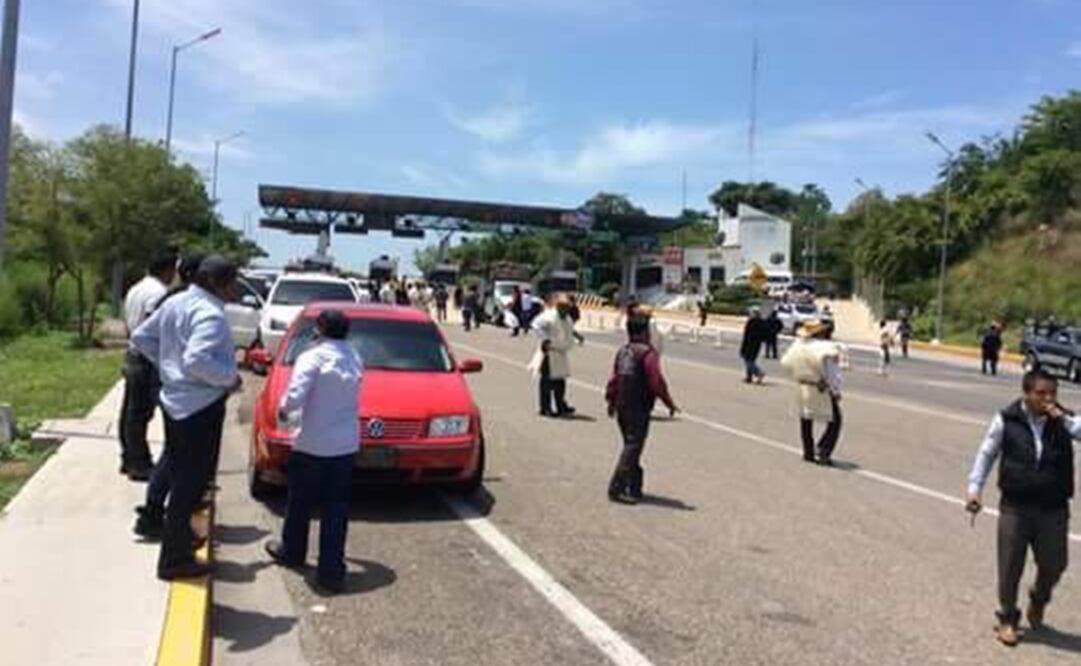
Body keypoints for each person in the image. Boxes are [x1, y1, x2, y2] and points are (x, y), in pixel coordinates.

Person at [131, 255, 241, 580]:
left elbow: (142, 338)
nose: (235, 289)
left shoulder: (177, 303)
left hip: (176, 402)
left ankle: (177, 542)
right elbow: (197, 360)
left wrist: (168, 367)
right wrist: (228, 379)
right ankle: (174, 559)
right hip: (199, 408)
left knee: (180, 475)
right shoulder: (210, 314)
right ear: (217, 283)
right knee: (188, 487)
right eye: (232, 282)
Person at [966, 369, 1081, 646]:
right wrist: (975, 489)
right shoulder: (1007, 419)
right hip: (1015, 506)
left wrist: (1063, 420)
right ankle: (1007, 617)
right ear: (1026, 393)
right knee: (1009, 567)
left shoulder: (1064, 420)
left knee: (1055, 564)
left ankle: (1038, 598)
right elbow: (987, 453)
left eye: (1052, 393)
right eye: (1041, 393)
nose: (1048, 399)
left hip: (1053, 508)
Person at [264, 309, 363, 594]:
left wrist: (284, 412)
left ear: (320, 329)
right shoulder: (354, 356)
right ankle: (331, 571)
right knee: (336, 508)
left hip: (312, 442)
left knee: (300, 502)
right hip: (344, 445)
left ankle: (292, 552)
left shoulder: (312, 356)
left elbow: (296, 395)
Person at [132, 253, 202, 539]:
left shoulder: (173, 298)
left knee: (173, 454)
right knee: (181, 457)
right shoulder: (183, 302)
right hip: (180, 391)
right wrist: (169, 365)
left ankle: (154, 511)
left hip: (171, 385)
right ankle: (169, 519)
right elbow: (145, 337)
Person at [605, 314, 678, 504]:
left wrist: (611, 401)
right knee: (633, 446)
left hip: (622, 404)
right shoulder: (647, 354)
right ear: (645, 332)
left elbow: (614, 380)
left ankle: (634, 486)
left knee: (631, 447)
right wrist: (669, 402)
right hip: (638, 406)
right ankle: (617, 487)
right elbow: (656, 381)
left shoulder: (623, 351)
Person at [118, 251, 177, 480]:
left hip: (132, 353)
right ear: (167, 270)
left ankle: (128, 457)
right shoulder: (158, 293)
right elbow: (155, 326)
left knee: (130, 412)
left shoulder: (135, 289)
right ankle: (139, 464)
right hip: (146, 358)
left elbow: (128, 323)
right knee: (140, 414)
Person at [780, 320, 843, 465]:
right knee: (835, 421)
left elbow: (786, 363)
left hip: (803, 386)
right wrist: (835, 390)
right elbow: (832, 373)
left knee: (806, 419)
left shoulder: (798, 346)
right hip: (821, 387)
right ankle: (823, 451)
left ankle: (808, 451)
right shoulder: (824, 348)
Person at [530, 294, 577, 417]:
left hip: (561, 353)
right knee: (547, 381)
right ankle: (545, 407)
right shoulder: (548, 316)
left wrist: (576, 336)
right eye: (564, 307)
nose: (566, 310)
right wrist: (545, 340)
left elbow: (569, 330)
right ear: (558, 306)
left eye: (567, 308)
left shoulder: (567, 318)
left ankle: (561, 405)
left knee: (560, 381)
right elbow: (536, 325)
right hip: (550, 352)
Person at [739, 308, 768, 384]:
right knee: (751, 360)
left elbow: (747, 335)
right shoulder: (762, 322)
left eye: (751, 313)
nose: (750, 314)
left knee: (748, 361)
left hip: (750, 344)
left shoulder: (752, 322)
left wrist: (744, 346)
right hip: (757, 344)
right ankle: (749, 377)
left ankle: (759, 373)